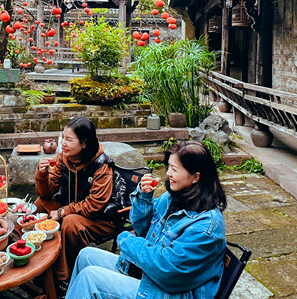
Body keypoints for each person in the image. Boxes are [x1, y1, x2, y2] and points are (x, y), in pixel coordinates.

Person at [66, 140, 227, 299]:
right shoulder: (172, 198)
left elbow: (167, 270)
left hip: (170, 292)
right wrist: (144, 197)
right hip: (150, 276)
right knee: (85, 256)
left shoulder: (207, 226)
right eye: (169, 167)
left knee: (91, 277)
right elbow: (142, 229)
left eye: (175, 169)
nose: (169, 173)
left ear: (195, 177)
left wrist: (126, 241)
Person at [34, 116, 122, 284]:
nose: (63, 143)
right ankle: (40, 259)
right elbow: (47, 193)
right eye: (62, 137)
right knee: (40, 204)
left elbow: (95, 205)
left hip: (101, 218)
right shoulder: (63, 158)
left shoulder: (101, 164)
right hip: (72, 207)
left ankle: (63, 275)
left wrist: (63, 211)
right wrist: (42, 174)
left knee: (70, 222)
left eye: (69, 139)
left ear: (84, 143)